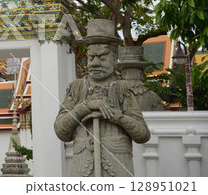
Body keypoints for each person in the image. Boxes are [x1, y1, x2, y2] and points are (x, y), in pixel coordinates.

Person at [54, 19, 150, 177]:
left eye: (102, 58)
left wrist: (117, 117)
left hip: (117, 166)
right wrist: (85, 108)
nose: (95, 63)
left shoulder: (122, 88)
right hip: (83, 167)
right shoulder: (76, 88)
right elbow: (60, 131)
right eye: (91, 58)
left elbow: (143, 134)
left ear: (113, 59)